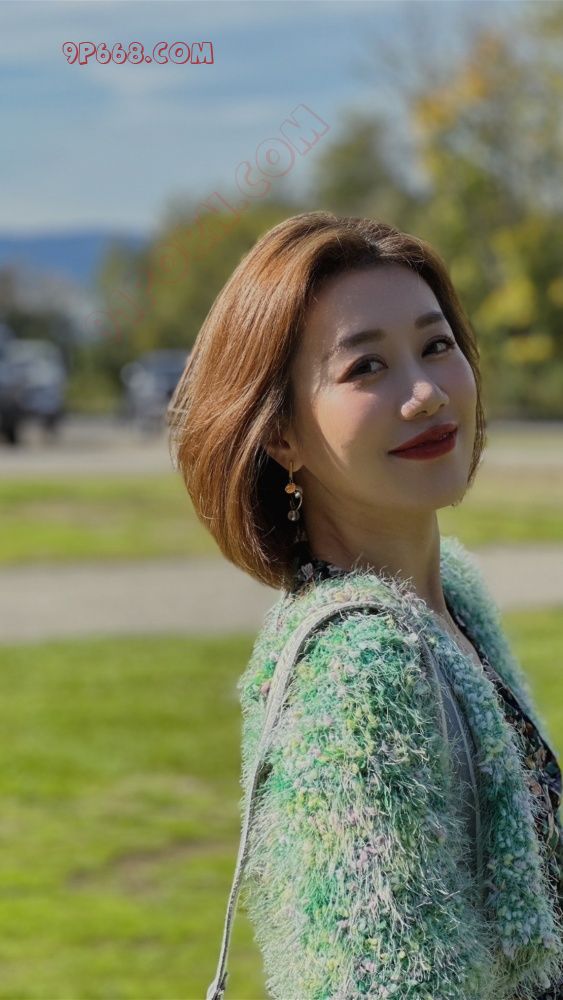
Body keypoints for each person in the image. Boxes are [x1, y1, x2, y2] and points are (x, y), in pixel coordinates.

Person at [167, 211, 563, 999]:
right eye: (366, 367)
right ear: (281, 435)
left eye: (436, 346)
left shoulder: (450, 605)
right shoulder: (359, 676)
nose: (425, 394)